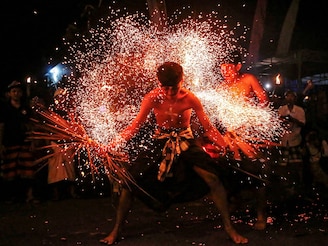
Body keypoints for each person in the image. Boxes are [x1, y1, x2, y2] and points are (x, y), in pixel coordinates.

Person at [100, 62, 248, 244]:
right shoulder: (152, 98)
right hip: (160, 142)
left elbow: (208, 127)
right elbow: (134, 126)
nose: (169, 92)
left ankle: (229, 227)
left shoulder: (190, 98)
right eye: (165, 88)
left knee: (213, 178)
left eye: (174, 88)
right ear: (158, 82)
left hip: (185, 142)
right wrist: (112, 144)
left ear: (182, 80)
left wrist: (222, 143)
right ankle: (116, 229)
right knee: (129, 182)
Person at [215, 52, 271, 230]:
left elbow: (264, 101)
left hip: (249, 132)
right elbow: (218, 114)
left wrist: (250, 117)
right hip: (230, 134)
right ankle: (235, 201)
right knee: (227, 169)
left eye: (229, 67)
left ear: (238, 66)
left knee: (257, 170)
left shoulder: (248, 79)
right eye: (222, 68)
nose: (225, 71)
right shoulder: (221, 88)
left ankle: (261, 213)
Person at [0, 81, 37, 203]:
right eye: (13, 91)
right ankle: (11, 197)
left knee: (28, 170)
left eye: (18, 91)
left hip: (24, 142)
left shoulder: (26, 109)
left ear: (21, 93)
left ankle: (29, 195)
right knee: (10, 171)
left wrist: (32, 142)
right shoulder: (5, 109)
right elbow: (1, 126)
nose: (16, 94)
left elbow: (30, 126)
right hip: (10, 142)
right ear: (9, 94)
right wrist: (0, 144)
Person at [46, 87, 78, 200]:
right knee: (55, 170)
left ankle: (71, 192)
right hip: (55, 143)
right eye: (59, 97)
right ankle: (56, 194)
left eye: (63, 97)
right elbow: (48, 129)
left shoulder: (70, 112)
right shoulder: (51, 112)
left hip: (68, 143)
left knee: (70, 170)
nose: (61, 99)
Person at [278, 90, 306, 183]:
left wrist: (293, 120)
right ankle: (285, 184)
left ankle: (299, 183)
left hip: (295, 140)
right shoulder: (282, 109)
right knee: (283, 165)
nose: (290, 98)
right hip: (284, 141)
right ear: (285, 98)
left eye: (292, 97)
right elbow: (277, 123)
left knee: (297, 165)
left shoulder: (299, 110)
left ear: (295, 98)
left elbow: (303, 124)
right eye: (288, 96)